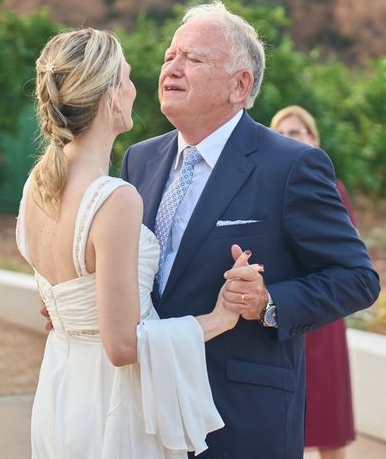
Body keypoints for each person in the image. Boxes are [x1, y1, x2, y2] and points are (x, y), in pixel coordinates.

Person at [120, 1, 380, 458]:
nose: (172, 69)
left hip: (241, 416)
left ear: (240, 85)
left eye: (193, 59)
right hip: (144, 410)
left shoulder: (292, 166)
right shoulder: (138, 159)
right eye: (169, 57)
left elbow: (358, 279)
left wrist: (269, 302)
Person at [18, 28, 256, 458]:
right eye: (126, 78)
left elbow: (66, 297)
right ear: (111, 96)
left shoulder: (37, 187)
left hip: (62, 387)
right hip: (113, 404)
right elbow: (123, 345)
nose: (135, 88)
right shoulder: (115, 197)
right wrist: (220, 318)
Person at [270, 105, 357, 459]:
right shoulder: (267, 185)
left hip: (322, 315)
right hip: (281, 314)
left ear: (313, 138)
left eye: (296, 132)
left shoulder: (331, 187)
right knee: (283, 422)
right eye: (281, 133)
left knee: (328, 419)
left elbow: (346, 255)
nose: (289, 139)